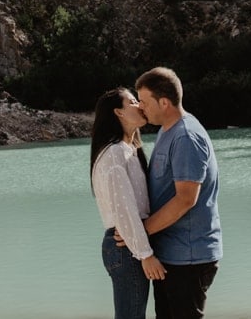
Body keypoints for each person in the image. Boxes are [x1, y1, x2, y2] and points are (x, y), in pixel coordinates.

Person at [135, 67, 222, 319]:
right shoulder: (167, 130)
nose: (141, 108)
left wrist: (142, 231)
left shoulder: (185, 137)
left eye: (144, 102)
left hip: (189, 258)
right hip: (172, 255)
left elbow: (186, 199)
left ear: (164, 102)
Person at [91, 87, 167, 319]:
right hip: (126, 247)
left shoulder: (128, 150)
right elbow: (124, 209)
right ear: (119, 113)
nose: (140, 105)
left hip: (128, 243)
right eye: (133, 101)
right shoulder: (115, 153)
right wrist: (145, 254)